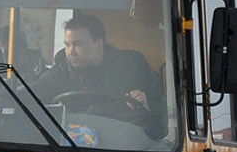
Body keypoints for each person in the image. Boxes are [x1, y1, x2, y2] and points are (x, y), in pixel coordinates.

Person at [35, 14, 165, 138]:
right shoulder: (59, 73)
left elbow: (165, 111)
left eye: (78, 44)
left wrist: (145, 103)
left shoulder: (133, 65)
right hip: (70, 149)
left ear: (99, 44)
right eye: (67, 45)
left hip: (125, 148)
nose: (71, 52)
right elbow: (27, 97)